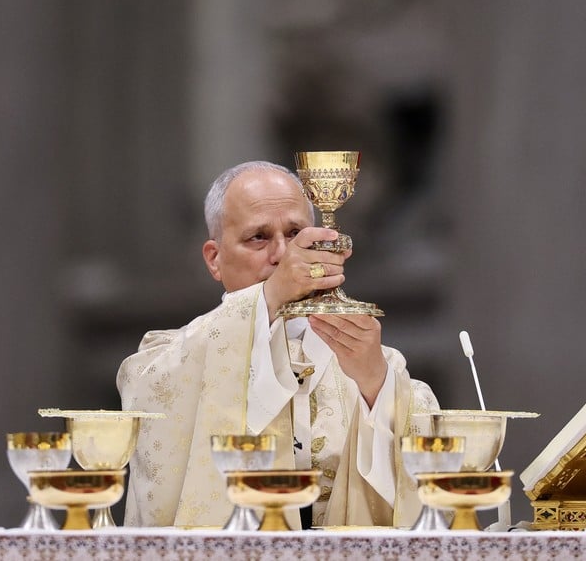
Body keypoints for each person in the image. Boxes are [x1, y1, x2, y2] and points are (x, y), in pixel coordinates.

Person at [117, 160, 439, 528]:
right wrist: (270, 296)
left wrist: (374, 389)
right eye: (259, 237)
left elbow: (419, 486)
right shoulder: (170, 356)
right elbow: (149, 395)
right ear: (214, 258)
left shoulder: (372, 359)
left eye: (295, 233)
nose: (283, 255)